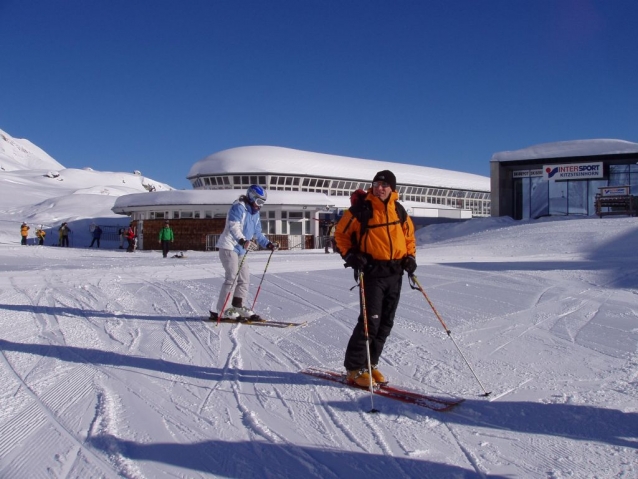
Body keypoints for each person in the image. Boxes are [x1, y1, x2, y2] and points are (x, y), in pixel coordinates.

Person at [334, 170, 417, 388]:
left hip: (394, 273)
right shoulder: (361, 209)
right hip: (372, 273)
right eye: (376, 184)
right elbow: (340, 234)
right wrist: (351, 256)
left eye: (384, 185)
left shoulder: (398, 210)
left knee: (386, 323)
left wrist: (410, 257)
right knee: (370, 322)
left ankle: (370, 364)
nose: (379, 188)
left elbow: (408, 237)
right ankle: (354, 368)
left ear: (392, 188)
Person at [209, 185, 279, 322]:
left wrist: (268, 244)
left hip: (241, 250)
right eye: (259, 202)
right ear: (251, 197)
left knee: (244, 279)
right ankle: (223, 310)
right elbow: (233, 226)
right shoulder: (239, 207)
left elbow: (257, 233)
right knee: (232, 278)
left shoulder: (255, 213)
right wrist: (242, 241)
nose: (260, 206)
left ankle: (237, 305)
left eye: (263, 203)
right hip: (229, 247)